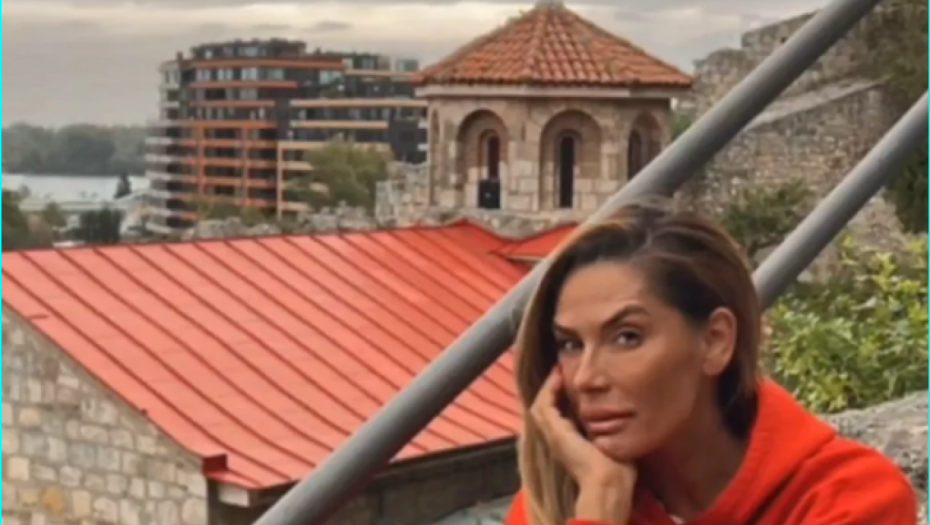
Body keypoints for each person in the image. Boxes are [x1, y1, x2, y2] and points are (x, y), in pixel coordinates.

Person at [505, 203, 916, 525]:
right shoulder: (558, 503)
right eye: (571, 344)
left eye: (627, 337)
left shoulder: (853, 500)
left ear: (716, 341)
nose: (586, 379)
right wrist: (600, 503)